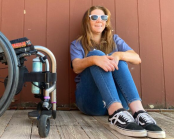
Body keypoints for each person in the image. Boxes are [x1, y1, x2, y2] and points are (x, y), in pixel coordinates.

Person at [70, 6, 166, 138]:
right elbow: (76, 66)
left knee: (119, 58)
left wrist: (119, 55)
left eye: (103, 17)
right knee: (97, 55)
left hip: (122, 104)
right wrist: (94, 59)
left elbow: (137, 58)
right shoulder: (77, 44)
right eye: (94, 17)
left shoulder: (115, 40)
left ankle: (139, 112)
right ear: (87, 21)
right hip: (91, 103)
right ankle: (115, 113)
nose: (99, 20)